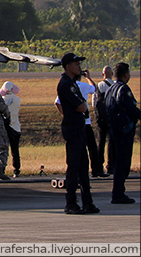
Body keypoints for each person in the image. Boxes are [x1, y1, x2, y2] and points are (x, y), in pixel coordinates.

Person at [57, 52, 99, 214]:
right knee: (74, 166)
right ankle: (71, 203)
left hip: (79, 126)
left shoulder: (73, 83)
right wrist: (82, 105)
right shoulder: (66, 84)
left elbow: (82, 105)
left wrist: (82, 105)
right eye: (76, 64)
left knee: (83, 165)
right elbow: (82, 107)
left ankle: (88, 202)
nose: (79, 67)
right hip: (72, 127)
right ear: (68, 67)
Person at [55, 67, 104, 177]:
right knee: (91, 147)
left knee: (77, 150)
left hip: (72, 121)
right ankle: (96, 169)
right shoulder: (84, 86)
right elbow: (95, 89)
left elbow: (57, 102)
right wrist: (88, 78)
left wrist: (65, 113)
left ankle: (77, 175)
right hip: (85, 122)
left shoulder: (67, 86)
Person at [105, 61, 141, 205]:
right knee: (123, 163)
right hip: (124, 132)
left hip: (112, 130)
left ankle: (118, 192)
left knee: (117, 162)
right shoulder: (123, 89)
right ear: (126, 74)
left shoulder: (110, 89)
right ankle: (118, 193)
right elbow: (131, 108)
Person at [94, 65, 116, 178]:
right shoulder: (115, 85)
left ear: (103, 74)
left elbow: (94, 102)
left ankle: (99, 165)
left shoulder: (99, 85)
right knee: (112, 142)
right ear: (112, 74)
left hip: (101, 119)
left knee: (101, 142)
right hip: (112, 118)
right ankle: (111, 166)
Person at [0, 81, 22, 177]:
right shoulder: (17, 100)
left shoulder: (1, 101)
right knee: (15, 150)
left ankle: (2, 169)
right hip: (15, 127)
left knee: (3, 150)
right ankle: (16, 170)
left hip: (5, 127)